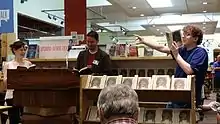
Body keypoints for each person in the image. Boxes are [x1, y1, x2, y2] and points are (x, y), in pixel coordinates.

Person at [135, 25, 208, 107]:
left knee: (185, 117)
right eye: (183, 34)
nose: (183, 36)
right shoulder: (182, 49)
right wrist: (144, 41)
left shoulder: (200, 52)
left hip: (190, 95)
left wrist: (176, 54)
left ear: (195, 38)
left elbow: (189, 71)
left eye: (187, 34)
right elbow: (162, 48)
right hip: (177, 91)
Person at [2, 41, 33, 124]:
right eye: (21, 50)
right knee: (14, 119)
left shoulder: (28, 64)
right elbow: (5, 82)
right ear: (14, 50)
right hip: (12, 95)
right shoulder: (8, 64)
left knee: (26, 118)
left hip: (25, 95)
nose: (23, 52)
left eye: (24, 50)